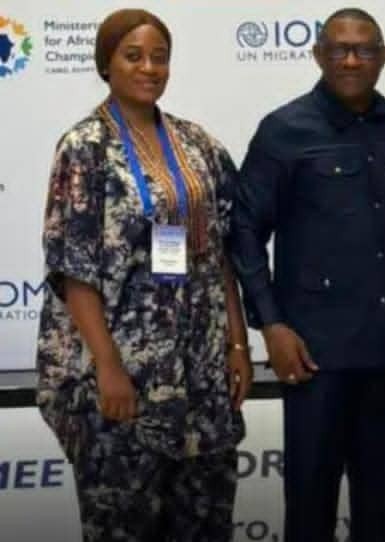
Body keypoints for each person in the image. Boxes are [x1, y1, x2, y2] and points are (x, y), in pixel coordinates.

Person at [35, 8, 250, 541]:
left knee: (204, 521)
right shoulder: (84, 148)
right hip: (126, 373)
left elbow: (221, 253)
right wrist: (108, 366)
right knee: (125, 524)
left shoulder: (197, 143)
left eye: (160, 57)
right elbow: (74, 270)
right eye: (133, 56)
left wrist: (238, 344)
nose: (149, 68)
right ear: (106, 64)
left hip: (200, 373)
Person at [229, 8, 385, 541]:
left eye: (364, 50)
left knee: (380, 510)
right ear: (319, 55)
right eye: (339, 49)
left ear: (383, 57)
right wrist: (271, 325)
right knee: (309, 512)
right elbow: (244, 231)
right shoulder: (284, 130)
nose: (351, 60)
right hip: (314, 358)